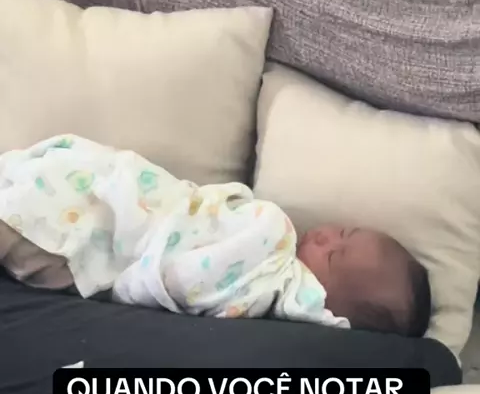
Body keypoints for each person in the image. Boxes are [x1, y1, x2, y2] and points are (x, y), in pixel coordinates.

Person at [0, 135, 431, 336]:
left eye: (333, 257)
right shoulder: (270, 230)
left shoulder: (273, 283)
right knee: (71, 185)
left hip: (100, 239)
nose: (326, 238)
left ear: (322, 297)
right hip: (140, 203)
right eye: (344, 232)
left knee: (40, 220)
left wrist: (137, 285)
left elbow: (188, 277)